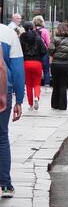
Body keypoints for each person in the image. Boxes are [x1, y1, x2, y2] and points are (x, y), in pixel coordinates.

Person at [0, 21, 25, 197]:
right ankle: (6, 185)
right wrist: (19, 99)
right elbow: (17, 69)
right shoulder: (8, 33)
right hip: (2, 91)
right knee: (1, 136)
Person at [49, 22, 68, 111]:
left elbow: (50, 51)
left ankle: (55, 104)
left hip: (55, 65)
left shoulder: (54, 39)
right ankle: (62, 106)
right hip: (65, 65)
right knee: (63, 85)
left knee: (55, 84)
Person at [20, 21, 47, 111]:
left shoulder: (22, 38)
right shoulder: (38, 38)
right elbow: (44, 51)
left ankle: (31, 105)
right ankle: (37, 97)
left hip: (26, 63)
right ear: (33, 27)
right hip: (37, 63)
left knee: (28, 85)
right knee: (37, 83)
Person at [33, 15, 51, 89]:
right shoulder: (45, 31)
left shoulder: (33, 31)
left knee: (36, 69)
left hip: (35, 53)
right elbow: (48, 43)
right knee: (46, 70)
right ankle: (47, 85)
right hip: (44, 53)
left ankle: (36, 84)